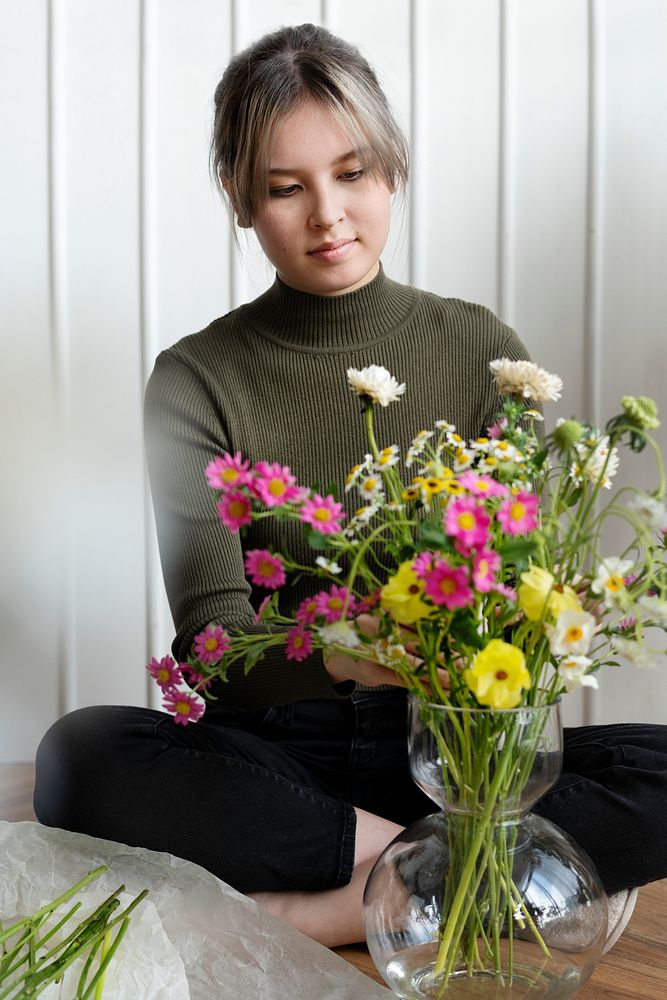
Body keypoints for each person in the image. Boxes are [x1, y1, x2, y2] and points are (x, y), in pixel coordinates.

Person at [34, 22, 667, 950]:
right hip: (285, 766)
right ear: (240, 200)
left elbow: (517, 601)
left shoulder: (482, 352)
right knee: (80, 757)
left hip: (453, 754)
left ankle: (361, 899)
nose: (327, 214)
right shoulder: (197, 378)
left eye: (353, 173)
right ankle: (465, 876)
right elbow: (213, 642)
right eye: (286, 189)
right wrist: (351, 652)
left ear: (392, 171)